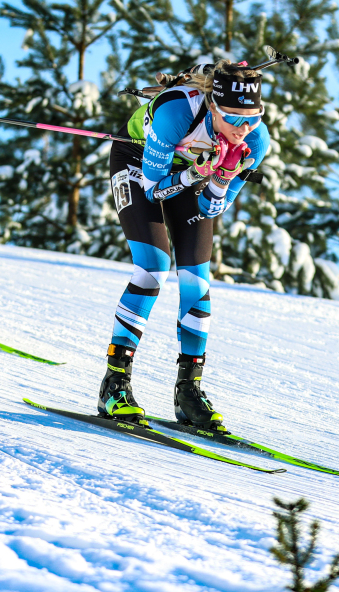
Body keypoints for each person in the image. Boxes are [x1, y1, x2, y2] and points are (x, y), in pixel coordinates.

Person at [100, 59, 270, 433]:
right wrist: (198, 172)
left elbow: (212, 207)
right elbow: (153, 189)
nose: (243, 129)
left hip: (193, 172)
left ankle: (188, 391)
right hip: (138, 162)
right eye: (234, 118)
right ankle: (115, 383)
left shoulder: (255, 141)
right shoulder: (177, 112)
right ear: (213, 107)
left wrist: (222, 177)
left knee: (197, 279)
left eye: (253, 118)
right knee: (153, 267)